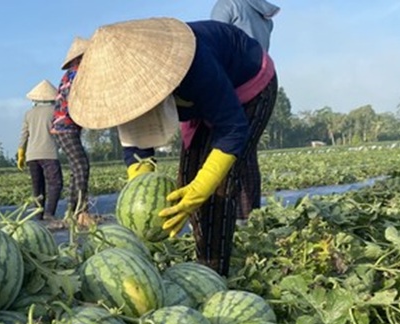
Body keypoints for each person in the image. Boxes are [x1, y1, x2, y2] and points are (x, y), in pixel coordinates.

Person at [70, 18, 277, 276]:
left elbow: (232, 127)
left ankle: (215, 276)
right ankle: (209, 257)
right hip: (199, 99)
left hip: (250, 86)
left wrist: (204, 186)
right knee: (186, 181)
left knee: (216, 189)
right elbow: (134, 138)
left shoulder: (195, 63)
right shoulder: (129, 85)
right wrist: (141, 181)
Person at [51, 36, 93, 226]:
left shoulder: (70, 75)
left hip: (64, 128)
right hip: (65, 127)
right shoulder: (76, 75)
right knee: (82, 165)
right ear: (81, 58)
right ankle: (81, 211)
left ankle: (73, 211)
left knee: (78, 168)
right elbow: (74, 104)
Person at [17, 80, 63, 221]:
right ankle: (49, 213)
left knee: (38, 187)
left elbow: (24, 135)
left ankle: (38, 215)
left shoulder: (29, 114)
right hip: (49, 153)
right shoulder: (55, 112)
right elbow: (60, 131)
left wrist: (21, 153)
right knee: (55, 183)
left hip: (32, 156)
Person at [211, 0, 280, 52]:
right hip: (262, 66)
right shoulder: (264, 12)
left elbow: (216, 42)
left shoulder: (227, 4)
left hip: (236, 67)